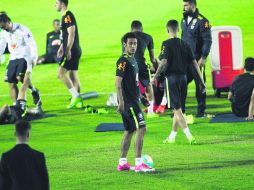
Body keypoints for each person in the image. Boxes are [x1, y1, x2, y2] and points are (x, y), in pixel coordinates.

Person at [152, 20, 205, 144]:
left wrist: (155, 76)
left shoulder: (166, 43)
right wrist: (201, 81)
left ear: (167, 30)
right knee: (179, 108)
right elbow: (194, 63)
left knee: (176, 109)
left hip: (172, 79)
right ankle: (172, 137)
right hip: (183, 79)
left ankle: (189, 136)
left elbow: (164, 62)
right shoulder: (185, 44)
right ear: (178, 30)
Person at [116, 32, 154, 172]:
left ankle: (122, 162)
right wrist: (120, 102)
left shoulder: (133, 60)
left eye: (135, 43)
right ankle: (138, 163)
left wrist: (142, 97)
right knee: (142, 128)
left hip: (134, 101)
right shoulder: (123, 61)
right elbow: (117, 83)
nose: (133, 46)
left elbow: (134, 83)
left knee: (129, 130)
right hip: (129, 103)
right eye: (130, 43)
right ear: (125, 44)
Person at [0, 12, 42, 108]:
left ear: (7, 22)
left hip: (25, 57)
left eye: (3, 26)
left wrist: (34, 57)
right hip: (13, 57)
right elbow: (1, 47)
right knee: (11, 82)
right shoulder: (3, 33)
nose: (3, 29)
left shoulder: (22, 29)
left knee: (21, 78)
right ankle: (16, 106)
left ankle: (31, 94)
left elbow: (32, 43)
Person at [181, 0, 212, 117]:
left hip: (197, 60)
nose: (183, 8)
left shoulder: (203, 21)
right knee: (181, 84)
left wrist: (203, 57)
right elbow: (183, 38)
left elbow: (208, 41)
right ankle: (180, 111)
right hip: (185, 60)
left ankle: (201, 112)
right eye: (183, 5)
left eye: (186, 5)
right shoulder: (183, 20)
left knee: (200, 85)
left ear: (192, 5)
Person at [0, 120, 49, 190]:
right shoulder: (39, 156)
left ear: (15, 134)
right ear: (28, 134)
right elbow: (45, 183)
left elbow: (3, 185)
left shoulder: (6, 157)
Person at [123, 21, 158, 118]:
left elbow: (124, 54)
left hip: (128, 64)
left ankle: (131, 110)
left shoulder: (125, 37)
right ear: (142, 29)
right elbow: (152, 58)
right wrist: (156, 67)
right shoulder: (148, 37)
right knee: (148, 87)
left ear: (131, 29)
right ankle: (151, 112)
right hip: (142, 66)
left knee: (130, 87)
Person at [55, 0, 83, 109]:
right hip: (75, 49)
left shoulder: (67, 15)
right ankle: (78, 101)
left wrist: (67, 49)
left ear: (62, 4)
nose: (55, 5)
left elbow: (72, 33)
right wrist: (62, 47)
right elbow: (66, 36)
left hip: (72, 49)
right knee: (73, 75)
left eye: (56, 3)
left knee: (61, 74)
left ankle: (75, 97)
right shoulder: (65, 16)